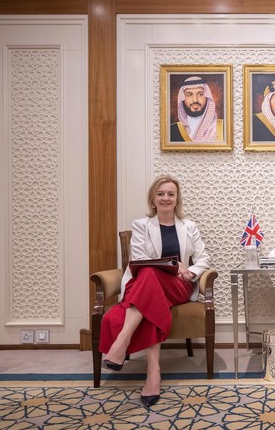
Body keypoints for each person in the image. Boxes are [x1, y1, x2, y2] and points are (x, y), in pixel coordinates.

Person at [99, 175, 211, 408]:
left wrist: (188, 272)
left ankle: (122, 341)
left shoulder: (189, 226)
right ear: (153, 198)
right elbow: (139, 260)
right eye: (160, 194)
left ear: (177, 198)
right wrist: (173, 265)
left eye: (170, 194)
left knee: (150, 279)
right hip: (145, 283)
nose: (165, 198)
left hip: (178, 285)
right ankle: (153, 373)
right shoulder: (141, 225)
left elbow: (204, 258)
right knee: (150, 280)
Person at [170, 76, 224, 142]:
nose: (195, 100)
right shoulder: (172, 130)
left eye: (200, 94)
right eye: (189, 95)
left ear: (207, 97)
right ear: (183, 99)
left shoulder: (222, 128)